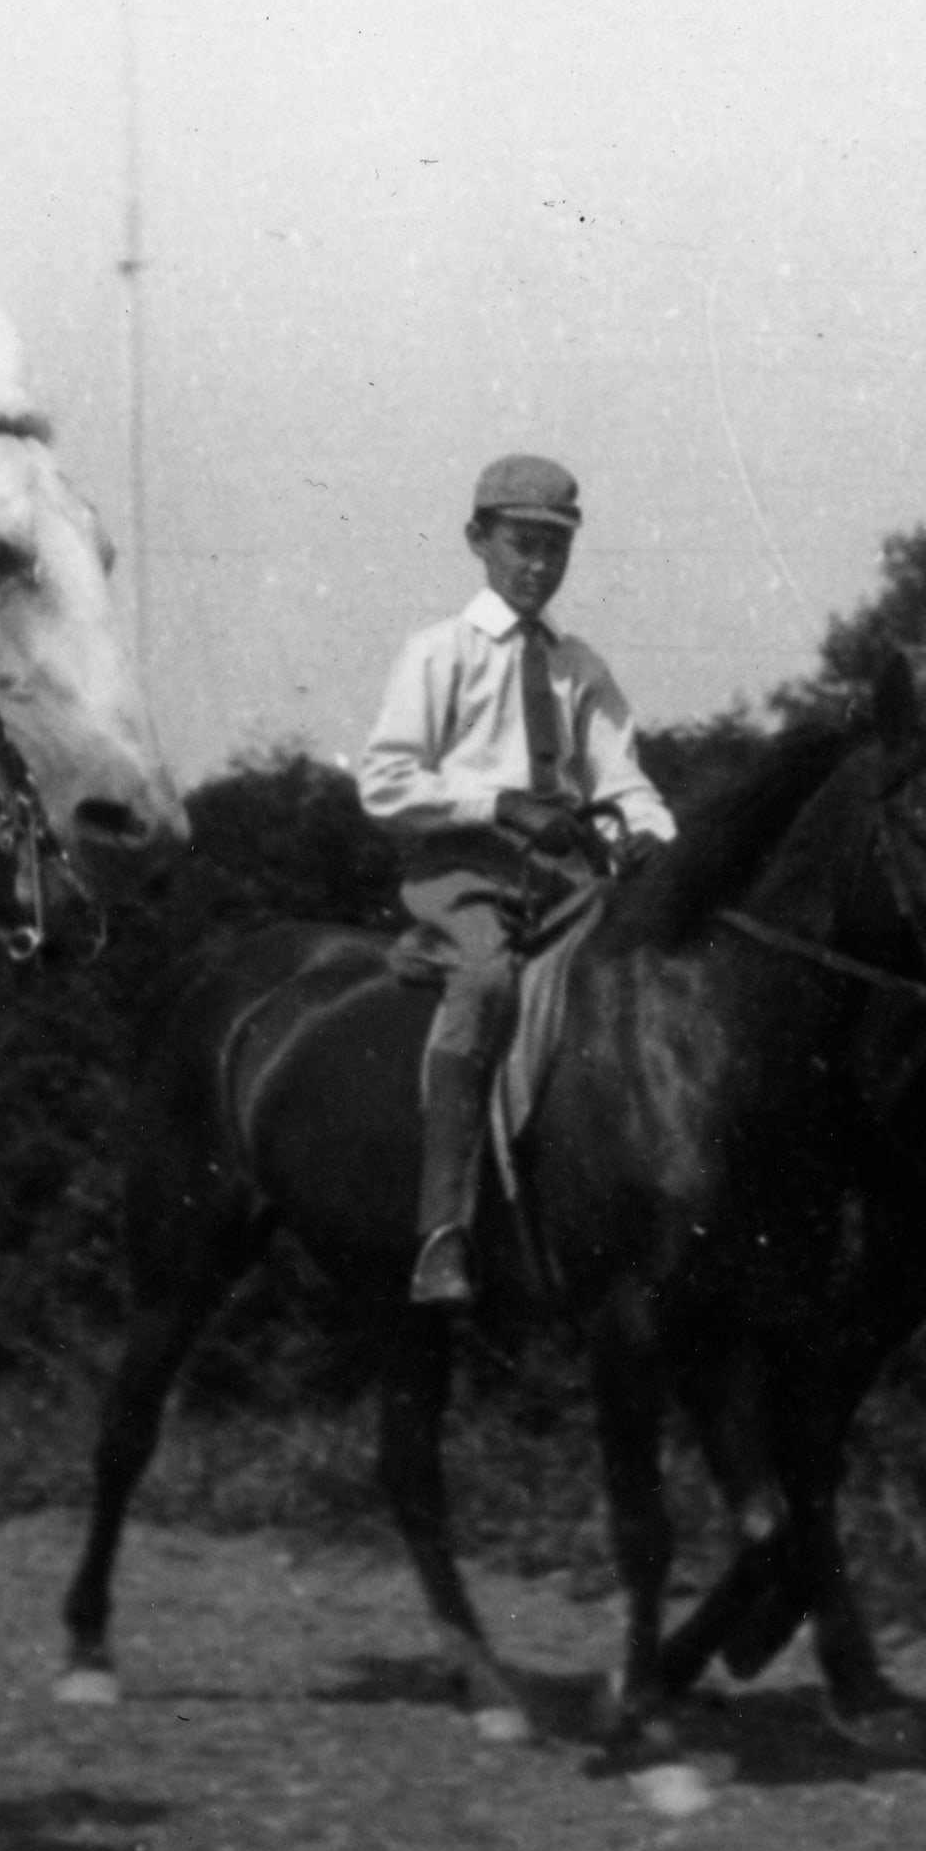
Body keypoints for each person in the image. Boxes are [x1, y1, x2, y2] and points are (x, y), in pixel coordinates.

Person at [358, 454, 677, 1307]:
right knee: (487, 979)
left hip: (570, 876)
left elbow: (622, 778)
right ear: (478, 541)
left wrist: (654, 839)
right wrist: (498, 805)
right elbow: (385, 783)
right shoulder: (439, 653)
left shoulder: (579, 666)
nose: (537, 565)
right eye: (520, 545)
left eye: (553, 549)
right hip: (467, 875)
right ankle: (442, 1229)